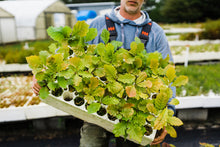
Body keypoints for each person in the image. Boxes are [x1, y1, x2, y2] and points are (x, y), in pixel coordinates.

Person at [32, 0, 175, 146]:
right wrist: (43, 71)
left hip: (136, 110)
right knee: (91, 142)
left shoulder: (156, 33)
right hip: (98, 103)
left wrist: (167, 114)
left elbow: (168, 74)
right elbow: (71, 48)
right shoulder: (98, 24)